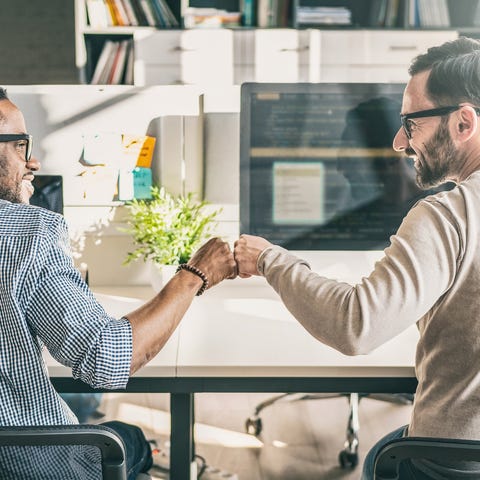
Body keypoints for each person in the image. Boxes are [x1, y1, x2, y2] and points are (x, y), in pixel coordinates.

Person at [234, 36, 480, 479]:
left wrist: (270, 259)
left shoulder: (448, 217)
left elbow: (357, 325)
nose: (397, 142)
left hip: (453, 460)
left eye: (411, 122)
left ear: (464, 123)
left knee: (382, 460)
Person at [0, 87, 237, 479]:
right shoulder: (26, 235)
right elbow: (108, 360)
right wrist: (195, 275)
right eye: (20, 146)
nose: (33, 161)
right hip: (28, 465)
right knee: (129, 438)